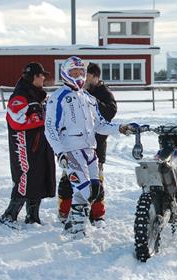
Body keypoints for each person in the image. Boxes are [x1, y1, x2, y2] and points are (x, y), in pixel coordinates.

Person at [44, 56, 138, 238]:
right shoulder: (58, 98)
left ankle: (72, 225)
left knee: (94, 190)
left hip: (90, 150)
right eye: (73, 72)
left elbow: (100, 124)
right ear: (65, 73)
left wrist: (120, 128)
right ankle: (78, 232)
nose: (78, 76)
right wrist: (60, 152)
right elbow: (50, 129)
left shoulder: (88, 97)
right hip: (71, 151)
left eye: (81, 72)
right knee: (85, 190)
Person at [57, 62, 117, 227]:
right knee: (67, 181)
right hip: (73, 146)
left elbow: (109, 114)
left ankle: (97, 216)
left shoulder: (104, 94)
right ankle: (65, 212)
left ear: (94, 77)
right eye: (76, 74)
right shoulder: (77, 93)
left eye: (85, 75)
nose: (81, 78)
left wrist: (91, 102)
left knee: (96, 184)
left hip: (96, 147)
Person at [0, 62, 56, 228]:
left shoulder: (37, 95)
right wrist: (41, 119)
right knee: (25, 177)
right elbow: (17, 121)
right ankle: (9, 215)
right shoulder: (20, 95)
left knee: (39, 177)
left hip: (39, 144)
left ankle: (33, 217)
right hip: (24, 144)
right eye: (41, 75)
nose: (44, 78)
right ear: (34, 77)